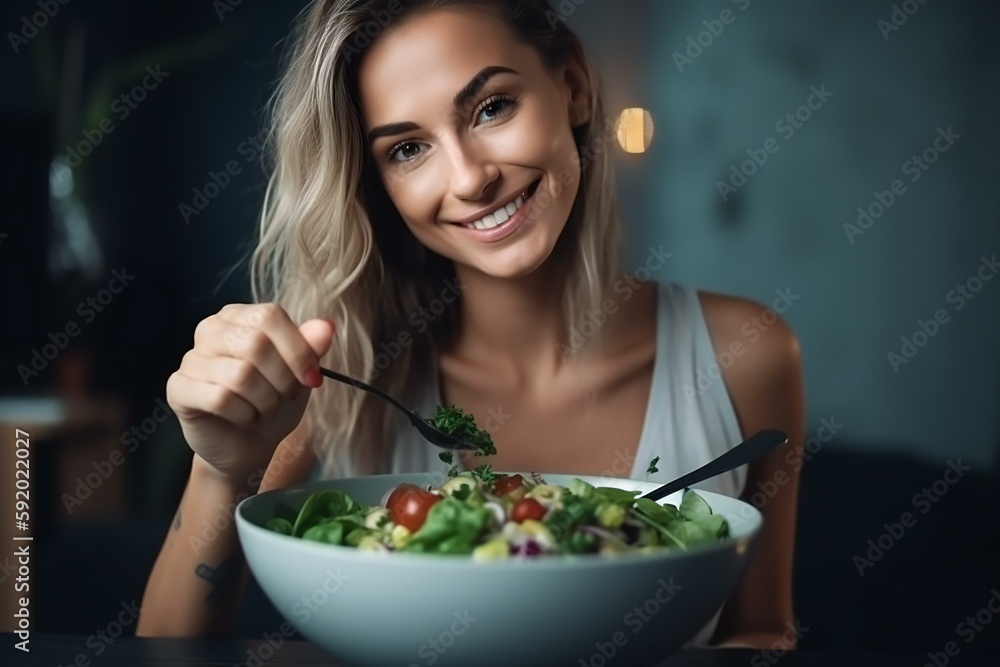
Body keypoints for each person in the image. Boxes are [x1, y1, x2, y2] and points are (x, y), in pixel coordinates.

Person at [136, 0, 806, 650]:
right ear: (378, 185)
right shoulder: (339, 370)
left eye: (492, 107)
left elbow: (763, 629)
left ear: (571, 84)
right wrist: (223, 472)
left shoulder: (747, 355)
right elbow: (166, 649)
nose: (469, 179)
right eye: (406, 149)